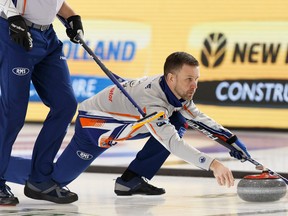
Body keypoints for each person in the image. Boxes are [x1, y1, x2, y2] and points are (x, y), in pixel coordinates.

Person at [4, 51, 251, 203]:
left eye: (196, 79)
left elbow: (197, 116)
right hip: (95, 125)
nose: (194, 85)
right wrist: (213, 163)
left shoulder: (174, 91)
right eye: (190, 79)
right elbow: (172, 144)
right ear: (171, 78)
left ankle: (131, 180)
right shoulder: (152, 103)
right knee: (56, 178)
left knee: (178, 119)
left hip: (127, 122)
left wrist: (230, 140)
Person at [0, 0, 84, 205]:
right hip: (15, 32)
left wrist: (71, 16)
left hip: (47, 36)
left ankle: (40, 180)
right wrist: (12, 15)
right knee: (13, 114)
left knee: (65, 105)